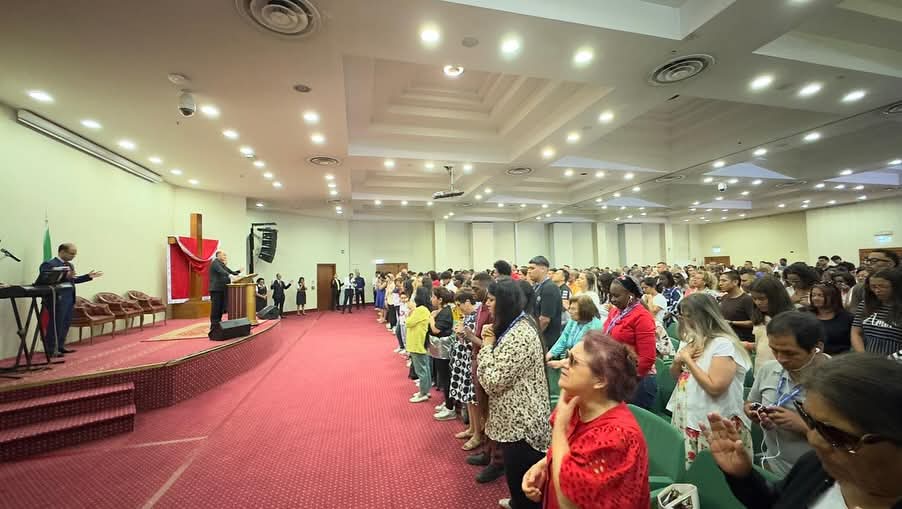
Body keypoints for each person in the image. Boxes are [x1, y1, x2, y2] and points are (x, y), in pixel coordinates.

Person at [706, 353, 902, 509]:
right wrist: (743, 477)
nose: (814, 439)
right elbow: (776, 503)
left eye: (835, 434)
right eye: (809, 420)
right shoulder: (816, 466)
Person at [522, 333, 650, 509]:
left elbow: (569, 501)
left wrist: (559, 428)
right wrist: (544, 464)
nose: (564, 364)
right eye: (567, 356)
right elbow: (570, 455)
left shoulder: (617, 435)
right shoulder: (577, 404)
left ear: (600, 381)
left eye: (573, 361)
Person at [478, 278, 551, 509]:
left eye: (491, 300)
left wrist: (487, 345)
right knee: (517, 480)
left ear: (504, 302)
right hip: (515, 418)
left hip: (522, 424)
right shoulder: (518, 324)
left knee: (524, 486)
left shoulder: (520, 334)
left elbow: (492, 381)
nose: (487, 304)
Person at [667, 292, 753, 468]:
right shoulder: (690, 339)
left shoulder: (723, 344)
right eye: (682, 315)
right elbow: (679, 378)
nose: (684, 320)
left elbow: (715, 387)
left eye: (689, 315)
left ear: (705, 316)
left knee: (717, 475)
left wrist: (688, 360)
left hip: (715, 423)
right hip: (688, 417)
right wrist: (678, 361)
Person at [746, 311, 829, 476]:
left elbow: (852, 446)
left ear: (817, 348)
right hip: (772, 463)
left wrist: (804, 427)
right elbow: (749, 402)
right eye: (774, 350)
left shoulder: (838, 383)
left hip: (818, 476)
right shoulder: (768, 370)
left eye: (790, 353)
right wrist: (753, 412)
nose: (780, 359)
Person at [39, 243, 103, 356]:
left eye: (75, 254)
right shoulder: (49, 264)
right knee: (55, 324)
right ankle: (51, 349)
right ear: (62, 252)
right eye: (71, 253)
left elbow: (73, 280)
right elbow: (45, 280)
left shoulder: (70, 265)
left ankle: (60, 346)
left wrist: (88, 276)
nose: (74, 256)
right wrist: (65, 276)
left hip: (69, 298)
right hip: (56, 298)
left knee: (65, 323)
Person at [603, 276, 657, 410]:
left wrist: (627, 380)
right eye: (611, 295)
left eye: (616, 296)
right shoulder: (615, 312)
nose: (612, 300)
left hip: (637, 382)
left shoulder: (642, 316)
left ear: (631, 296)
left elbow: (647, 358)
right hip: (617, 376)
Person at [546, 295, 603, 406]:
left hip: (583, 367)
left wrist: (561, 363)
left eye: (573, 309)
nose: (569, 311)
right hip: (569, 360)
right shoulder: (573, 321)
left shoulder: (595, 326)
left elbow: (583, 355)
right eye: (570, 308)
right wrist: (549, 354)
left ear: (584, 310)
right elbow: (564, 338)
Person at [451, 289, 481, 450]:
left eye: (460, 304)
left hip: (472, 357)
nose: (459, 308)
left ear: (468, 302)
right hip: (464, 358)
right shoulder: (468, 316)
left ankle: (478, 434)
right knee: (468, 398)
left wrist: (464, 334)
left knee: (473, 398)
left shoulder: (478, 315)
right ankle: (472, 429)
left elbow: (477, 338)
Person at [749, 276, 795, 371]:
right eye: (754, 298)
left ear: (776, 297)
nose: (758, 302)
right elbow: (763, 344)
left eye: (762, 298)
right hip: (760, 369)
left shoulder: (791, 319)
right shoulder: (761, 318)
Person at [852, 268, 902, 355]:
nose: (877, 290)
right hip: (869, 359)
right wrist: (864, 356)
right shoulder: (865, 305)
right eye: (873, 287)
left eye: (883, 286)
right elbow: (856, 333)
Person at [428, 286, 456, 421]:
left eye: (433, 297)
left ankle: (450, 408)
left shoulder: (445, 312)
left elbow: (436, 330)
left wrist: (431, 319)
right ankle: (448, 403)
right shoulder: (441, 310)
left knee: (446, 378)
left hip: (444, 350)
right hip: (439, 349)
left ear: (440, 299)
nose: (431, 299)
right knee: (443, 377)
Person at [527, 255, 563, 351]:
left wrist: (532, 337)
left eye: (532, 268)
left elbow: (544, 319)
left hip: (546, 340)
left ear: (543, 269)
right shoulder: (536, 287)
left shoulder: (549, 288)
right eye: (528, 268)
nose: (529, 271)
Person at [407, 286, 434, 403]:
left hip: (417, 343)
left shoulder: (420, 310)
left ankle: (423, 392)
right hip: (419, 342)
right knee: (425, 368)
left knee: (421, 370)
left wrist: (411, 311)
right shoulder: (425, 309)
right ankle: (425, 391)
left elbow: (408, 322)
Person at [810, 282, 853, 354]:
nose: (815, 298)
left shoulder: (847, 318)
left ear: (833, 297)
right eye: (813, 295)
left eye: (820, 295)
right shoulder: (805, 315)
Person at [718, 271, 757, 352]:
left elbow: (754, 322)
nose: (720, 283)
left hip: (743, 343)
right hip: (729, 340)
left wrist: (732, 323)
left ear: (735, 282)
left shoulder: (747, 299)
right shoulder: (724, 298)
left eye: (724, 281)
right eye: (720, 281)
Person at [209, 250, 241, 328]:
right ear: (218, 256)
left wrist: (238, 272)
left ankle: (218, 322)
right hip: (216, 289)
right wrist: (230, 276)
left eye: (225, 255)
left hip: (222, 289)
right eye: (223, 255)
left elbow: (229, 271)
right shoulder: (215, 263)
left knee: (220, 307)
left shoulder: (221, 264)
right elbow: (221, 271)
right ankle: (214, 324)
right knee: (216, 307)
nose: (225, 257)